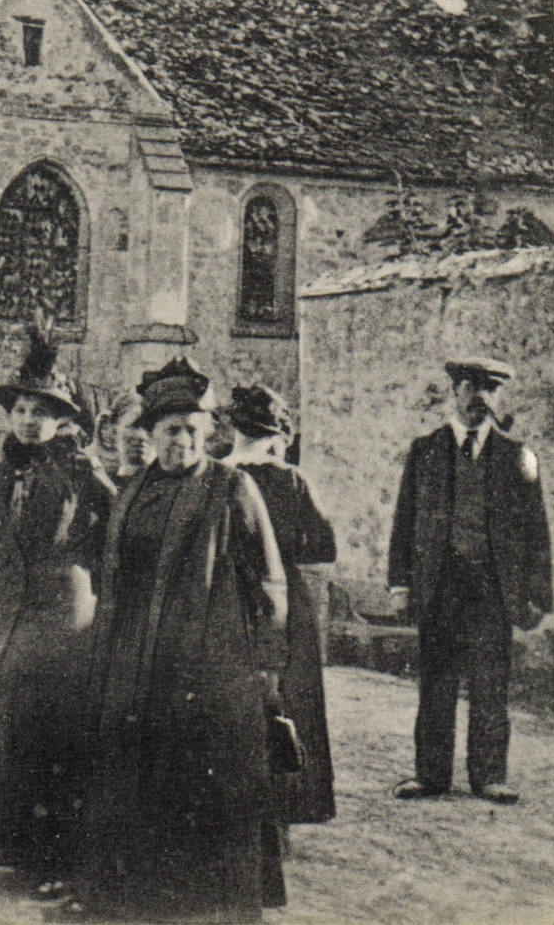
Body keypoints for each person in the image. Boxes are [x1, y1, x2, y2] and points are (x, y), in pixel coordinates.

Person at [73, 357, 289, 924]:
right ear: (151, 433)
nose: (182, 442)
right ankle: (133, 895)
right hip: (133, 649)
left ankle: (202, 901)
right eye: (171, 430)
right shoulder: (133, 489)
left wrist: (268, 662)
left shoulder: (231, 487)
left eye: (194, 431)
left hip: (206, 655)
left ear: (208, 433)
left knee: (197, 773)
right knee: (132, 769)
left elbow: (269, 580)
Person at [0, 328, 112, 898]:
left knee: (56, 738)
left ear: (61, 419)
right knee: (7, 734)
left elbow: (117, 538)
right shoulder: (0, 476)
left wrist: (98, 599)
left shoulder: (81, 472)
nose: (28, 421)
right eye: (21, 410)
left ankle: (60, 857)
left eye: (41, 412)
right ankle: (12, 850)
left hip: (64, 620)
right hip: (7, 620)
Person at [389, 358, 552, 805]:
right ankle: (430, 775)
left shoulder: (518, 456)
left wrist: (539, 596)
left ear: (499, 397)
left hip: (491, 588)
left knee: (490, 683)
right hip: (439, 586)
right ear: (455, 392)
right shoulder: (425, 451)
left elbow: (536, 531)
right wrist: (400, 584)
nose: (480, 398)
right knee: (436, 682)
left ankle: (490, 776)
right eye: (470, 388)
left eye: (490, 390)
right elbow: (405, 520)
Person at [223, 383, 338, 910]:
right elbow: (323, 545)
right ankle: (286, 813)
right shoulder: (291, 480)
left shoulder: (219, 475)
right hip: (284, 601)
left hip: (229, 598)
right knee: (289, 704)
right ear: (275, 436)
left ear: (233, 430)